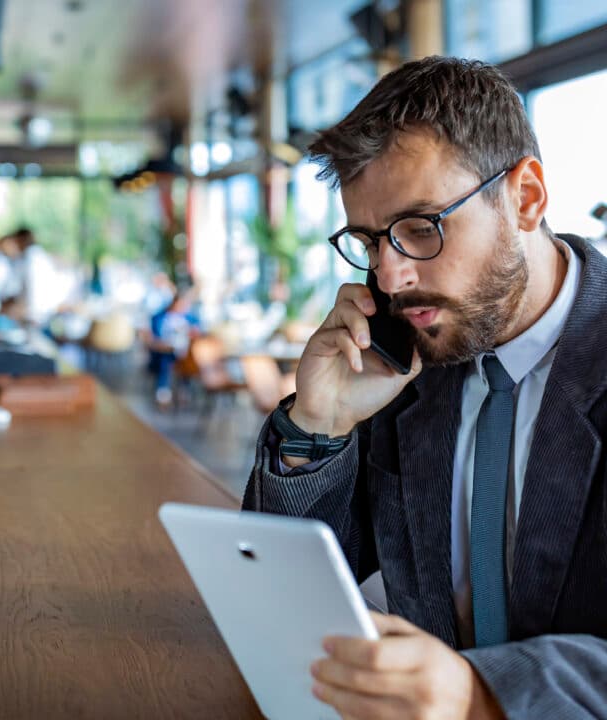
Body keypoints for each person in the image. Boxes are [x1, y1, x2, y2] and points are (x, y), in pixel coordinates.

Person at [243, 56, 607, 719]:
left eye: (420, 229)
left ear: (526, 197)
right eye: (370, 240)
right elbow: (283, 596)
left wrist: (483, 693)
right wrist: (318, 428)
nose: (389, 278)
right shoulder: (408, 367)